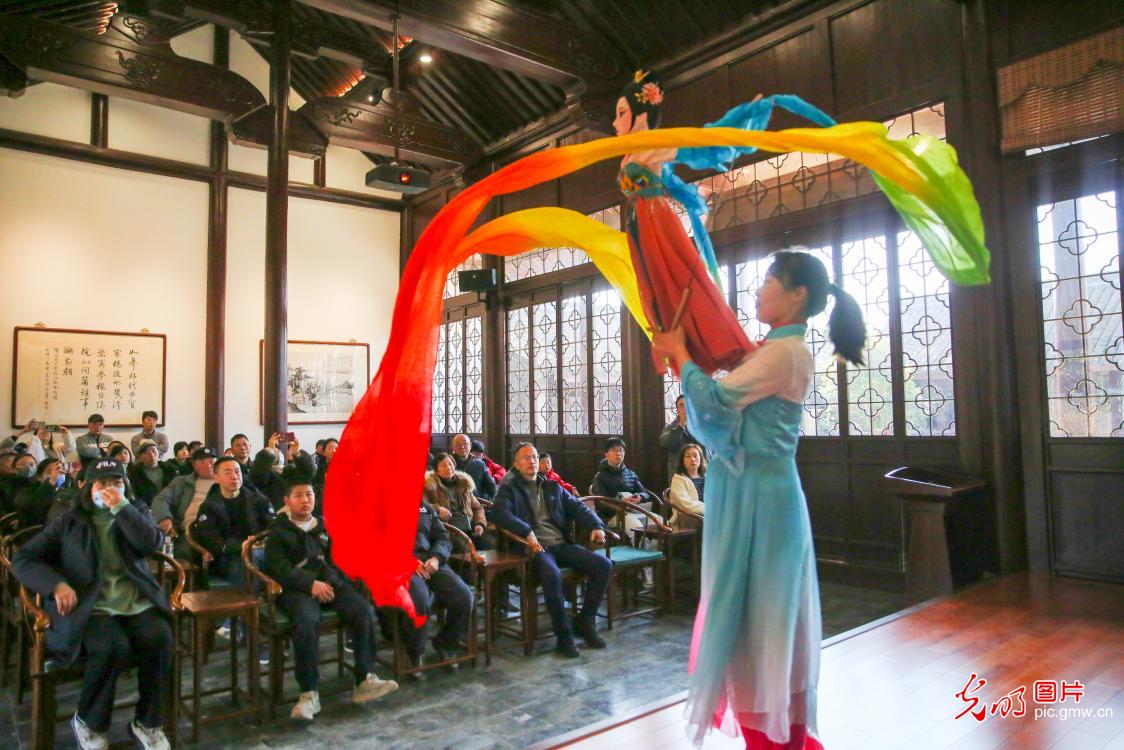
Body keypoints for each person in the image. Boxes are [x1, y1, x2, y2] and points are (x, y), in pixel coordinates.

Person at [652, 249, 864, 749]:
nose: (757, 290)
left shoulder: (785, 354)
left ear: (797, 295)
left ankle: (775, 737)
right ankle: (771, 734)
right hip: (746, 492)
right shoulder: (766, 351)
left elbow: (717, 403)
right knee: (752, 620)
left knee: (763, 623)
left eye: (768, 281)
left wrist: (682, 354)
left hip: (763, 502)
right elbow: (715, 410)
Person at [12, 458, 174, 750]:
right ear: (87, 487)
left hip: (133, 600)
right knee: (112, 646)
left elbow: (152, 543)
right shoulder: (69, 517)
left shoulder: (134, 510)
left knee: (160, 637)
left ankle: (147, 722)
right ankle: (89, 720)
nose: (110, 489)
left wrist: (121, 508)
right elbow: (24, 559)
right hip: (91, 605)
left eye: (117, 482)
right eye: (102, 483)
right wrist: (57, 584)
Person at [613, 70, 754, 374]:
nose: (615, 123)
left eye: (621, 113)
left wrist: (736, 128)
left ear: (640, 114)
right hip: (638, 221)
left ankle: (718, 341)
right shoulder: (629, 153)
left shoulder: (653, 144)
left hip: (654, 219)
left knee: (676, 278)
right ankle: (680, 342)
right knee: (657, 287)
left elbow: (693, 146)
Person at [264, 477, 398, 719]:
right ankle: (309, 692)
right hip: (296, 590)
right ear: (287, 501)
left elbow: (339, 559)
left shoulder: (325, 526)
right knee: (305, 621)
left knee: (363, 610)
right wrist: (310, 584)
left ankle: (364, 679)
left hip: (330, 585)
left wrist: (327, 582)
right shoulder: (278, 532)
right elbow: (279, 569)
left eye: (309, 495)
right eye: (298, 496)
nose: (305, 500)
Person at [493, 443, 610, 658]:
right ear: (516, 464)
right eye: (526, 458)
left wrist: (596, 526)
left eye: (535, 457)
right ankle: (563, 636)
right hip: (534, 549)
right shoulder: (509, 489)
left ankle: (586, 621)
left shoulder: (551, 486)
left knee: (603, 565)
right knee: (552, 574)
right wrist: (526, 531)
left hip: (560, 544)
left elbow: (578, 507)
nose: (532, 462)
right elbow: (500, 514)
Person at [403, 498, 475, 673]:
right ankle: (415, 652)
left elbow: (442, 537)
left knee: (464, 597)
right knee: (419, 601)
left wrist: (436, 557)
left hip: (431, 561)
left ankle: (446, 643)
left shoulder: (424, 507)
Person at [150, 447, 217, 560]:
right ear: (194, 465)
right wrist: (164, 517)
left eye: (211, 461)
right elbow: (161, 499)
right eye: (202, 462)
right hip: (187, 533)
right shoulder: (181, 482)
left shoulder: (225, 481)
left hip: (214, 531)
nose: (208, 465)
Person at [423, 453, 490, 552]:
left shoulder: (463, 483)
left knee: (490, 543)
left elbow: (477, 507)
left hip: (470, 526)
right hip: (449, 531)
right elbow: (421, 506)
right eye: (443, 465)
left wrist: (479, 524)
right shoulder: (429, 486)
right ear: (436, 470)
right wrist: (437, 509)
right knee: (465, 549)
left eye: (450, 464)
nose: (448, 468)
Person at [591, 437, 654, 505]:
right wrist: (621, 503)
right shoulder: (600, 477)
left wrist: (639, 497)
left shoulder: (631, 474)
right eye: (613, 450)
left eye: (620, 450)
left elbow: (645, 493)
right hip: (612, 513)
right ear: (606, 454)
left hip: (633, 510)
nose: (618, 453)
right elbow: (601, 502)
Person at [660, 395, 708, 484]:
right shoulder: (670, 428)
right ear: (677, 410)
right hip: (680, 478)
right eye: (681, 405)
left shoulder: (704, 427)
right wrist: (681, 426)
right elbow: (666, 443)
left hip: (703, 477)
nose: (685, 408)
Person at [13, 458, 70, 528]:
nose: (56, 475)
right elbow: (33, 511)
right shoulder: (27, 492)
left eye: (60, 471)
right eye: (50, 472)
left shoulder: (67, 492)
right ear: (39, 477)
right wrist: (50, 483)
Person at [667, 443, 706, 528]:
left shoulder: (708, 478)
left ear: (701, 458)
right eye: (688, 456)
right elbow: (686, 505)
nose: (692, 459)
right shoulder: (678, 479)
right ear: (682, 460)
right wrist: (710, 509)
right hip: (685, 518)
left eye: (695, 455)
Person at [129, 440, 176, 509]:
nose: (151, 455)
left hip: (169, 507)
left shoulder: (170, 469)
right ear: (141, 457)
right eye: (146, 453)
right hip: (146, 510)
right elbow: (136, 496)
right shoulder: (135, 473)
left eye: (153, 451)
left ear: (158, 452)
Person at [449, 433, 496, 500]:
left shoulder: (479, 464)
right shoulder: (447, 463)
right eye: (458, 445)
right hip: (455, 503)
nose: (462, 447)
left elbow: (491, 485)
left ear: (470, 445)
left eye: (464, 443)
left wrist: (489, 499)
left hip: (477, 501)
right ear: (453, 447)